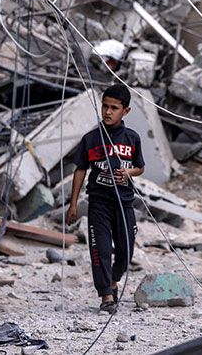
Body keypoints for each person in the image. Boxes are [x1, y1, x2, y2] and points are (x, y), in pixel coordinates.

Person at [66, 84, 145, 313]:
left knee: (126, 249)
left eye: (114, 108)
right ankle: (106, 295)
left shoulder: (132, 138)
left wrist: (127, 173)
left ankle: (114, 280)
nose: (108, 112)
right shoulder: (91, 139)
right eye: (105, 106)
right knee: (100, 250)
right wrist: (73, 204)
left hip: (124, 203)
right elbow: (80, 170)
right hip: (98, 203)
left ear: (125, 111)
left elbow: (140, 167)